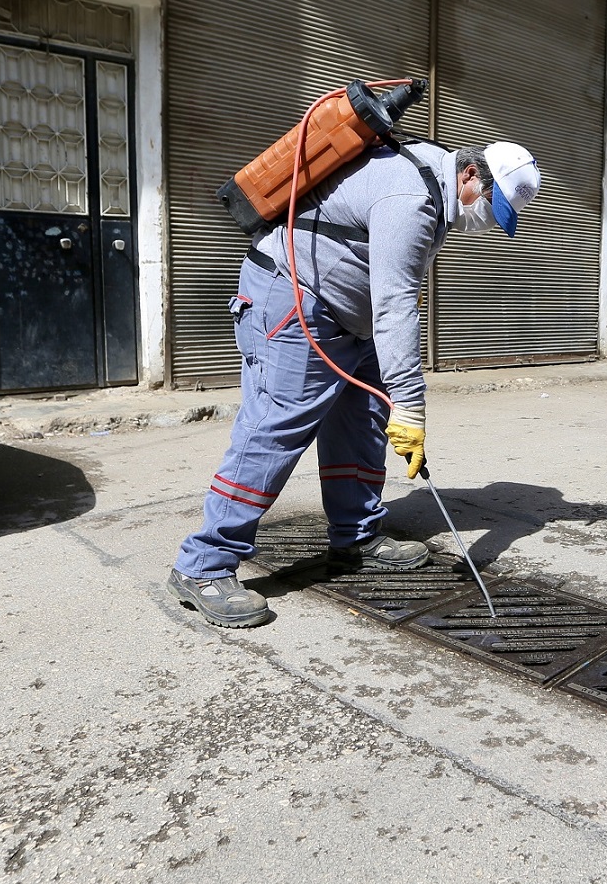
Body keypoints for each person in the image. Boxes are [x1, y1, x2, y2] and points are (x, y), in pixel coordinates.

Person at [168, 137, 542, 628]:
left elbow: (388, 292)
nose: (485, 221)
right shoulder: (411, 199)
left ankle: (356, 535)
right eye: (488, 207)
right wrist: (412, 408)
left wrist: (396, 402)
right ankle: (204, 565)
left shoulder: (435, 187)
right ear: (471, 175)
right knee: (275, 428)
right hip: (294, 300)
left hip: (348, 314)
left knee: (364, 420)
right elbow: (395, 305)